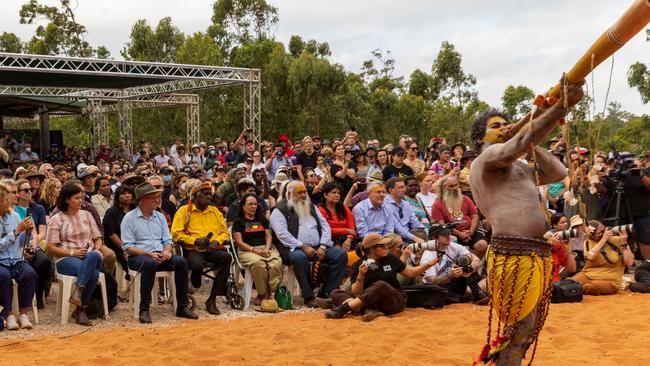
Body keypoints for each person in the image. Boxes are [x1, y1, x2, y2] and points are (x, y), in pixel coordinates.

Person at [469, 77, 583, 365]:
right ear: (479, 138)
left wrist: (531, 140)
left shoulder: (519, 165)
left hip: (534, 254)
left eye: (505, 124)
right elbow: (517, 143)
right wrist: (558, 109)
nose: (503, 128)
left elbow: (557, 172)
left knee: (526, 329)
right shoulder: (486, 159)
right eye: (495, 126)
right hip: (512, 255)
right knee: (519, 329)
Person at [121, 182, 198, 323]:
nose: (158, 200)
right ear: (142, 201)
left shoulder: (160, 216)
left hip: (160, 254)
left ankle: (182, 306)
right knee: (150, 264)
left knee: (181, 262)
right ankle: (144, 309)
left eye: (158, 196)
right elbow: (127, 247)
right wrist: (149, 254)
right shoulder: (129, 218)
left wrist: (167, 251)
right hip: (138, 256)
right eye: (153, 197)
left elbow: (168, 240)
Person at [325, 233, 439, 321]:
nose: (386, 248)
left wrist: (429, 264)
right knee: (336, 292)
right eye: (383, 246)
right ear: (372, 249)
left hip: (394, 300)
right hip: (371, 300)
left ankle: (344, 309)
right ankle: (368, 310)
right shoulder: (359, 265)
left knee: (381, 285)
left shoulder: (390, 258)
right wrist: (361, 276)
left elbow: (410, 273)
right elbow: (356, 292)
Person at [270, 181, 347, 306]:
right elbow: (282, 235)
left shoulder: (311, 206)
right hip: (293, 248)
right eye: (299, 192)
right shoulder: (279, 210)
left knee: (340, 255)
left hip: (318, 246)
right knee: (300, 258)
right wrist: (303, 246)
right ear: (290, 194)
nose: (303, 195)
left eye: (305, 192)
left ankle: (327, 291)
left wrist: (322, 245)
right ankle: (308, 296)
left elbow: (325, 226)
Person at [46, 183, 104, 326]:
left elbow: (98, 238)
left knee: (94, 255)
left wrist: (96, 248)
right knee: (94, 274)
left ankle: (79, 289)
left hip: (89, 255)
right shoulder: (57, 219)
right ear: (67, 199)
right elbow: (51, 247)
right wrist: (73, 252)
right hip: (66, 258)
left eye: (82, 197)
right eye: (77, 198)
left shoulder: (87, 214)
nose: (81, 201)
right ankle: (81, 309)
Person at [171, 181, 231, 315]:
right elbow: (176, 234)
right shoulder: (184, 211)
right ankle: (196, 275)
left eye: (210, 194)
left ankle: (212, 299)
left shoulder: (215, 211)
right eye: (205, 194)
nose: (209, 197)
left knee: (226, 257)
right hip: (193, 249)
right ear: (195, 196)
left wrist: (217, 241)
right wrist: (195, 240)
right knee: (197, 265)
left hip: (212, 249)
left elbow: (224, 232)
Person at [232, 193, 282, 305]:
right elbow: (239, 242)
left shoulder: (262, 219)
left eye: (255, 204)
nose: (254, 206)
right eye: (250, 204)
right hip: (247, 250)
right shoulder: (238, 221)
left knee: (276, 263)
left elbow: (268, 236)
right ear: (243, 206)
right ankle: (264, 294)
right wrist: (254, 250)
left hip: (265, 248)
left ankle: (271, 292)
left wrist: (267, 248)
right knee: (259, 264)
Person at [0, 184, 37, 330]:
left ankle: (23, 314)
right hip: (1, 262)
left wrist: (27, 232)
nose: (9, 199)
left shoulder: (14, 216)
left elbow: (21, 243)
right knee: (3, 277)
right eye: (5, 197)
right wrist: (16, 232)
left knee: (29, 274)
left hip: (16, 260)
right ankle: (8, 315)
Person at [421, 224, 488, 304]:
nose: (449, 236)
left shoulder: (452, 246)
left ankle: (476, 292)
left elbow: (476, 260)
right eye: (444, 234)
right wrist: (449, 275)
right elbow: (431, 281)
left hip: (456, 284)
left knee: (465, 260)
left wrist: (471, 268)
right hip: (441, 289)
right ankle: (474, 292)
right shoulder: (428, 255)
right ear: (434, 238)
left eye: (449, 233)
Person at [569, 220, 633, 295]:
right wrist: (603, 239)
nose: (602, 233)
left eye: (603, 230)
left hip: (610, 280)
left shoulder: (618, 240)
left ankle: (576, 289)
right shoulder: (587, 242)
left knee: (590, 287)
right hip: (587, 275)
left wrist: (624, 243)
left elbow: (630, 262)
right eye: (598, 232)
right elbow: (591, 256)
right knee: (568, 283)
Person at [431, 176, 487, 258]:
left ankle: (471, 264)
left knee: (482, 245)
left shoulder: (465, 199)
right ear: (443, 188)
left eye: (456, 185)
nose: (454, 188)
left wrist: (470, 232)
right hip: (451, 233)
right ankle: (467, 262)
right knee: (456, 250)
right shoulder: (437, 204)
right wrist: (459, 233)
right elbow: (442, 225)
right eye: (451, 186)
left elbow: (475, 216)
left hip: (470, 231)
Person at [352, 181, 423, 244]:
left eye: (384, 192)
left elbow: (389, 230)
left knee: (399, 241)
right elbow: (363, 234)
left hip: (385, 240)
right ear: (369, 194)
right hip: (368, 241)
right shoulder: (360, 208)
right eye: (378, 192)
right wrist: (380, 241)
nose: (382, 195)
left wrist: (384, 241)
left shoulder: (387, 207)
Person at [102, 184, 135, 291]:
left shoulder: (136, 211)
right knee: (130, 257)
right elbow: (111, 234)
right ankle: (131, 279)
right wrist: (125, 247)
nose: (127, 196)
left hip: (134, 242)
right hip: (116, 244)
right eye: (123, 193)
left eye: (129, 193)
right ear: (117, 197)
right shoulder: (111, 212)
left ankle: (136, 280)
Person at [318, 183, 357, 263]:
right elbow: (326, 230)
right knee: (339, 253)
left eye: (338, 193)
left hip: (347, 238)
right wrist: (346, 230)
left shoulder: (343, 208)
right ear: (325, 195)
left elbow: (352, 227)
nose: (337, 195)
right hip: (330, 239)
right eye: (334, 193)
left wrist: (349, 239)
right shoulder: (320, 210)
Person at [547, 213, 576, 282]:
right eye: (562, 222)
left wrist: (568, 248)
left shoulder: (563, 242)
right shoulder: (546, 238)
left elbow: (572, 269)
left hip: (556, 280)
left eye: (566, 222)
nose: (566, 224)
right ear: (554, 225)